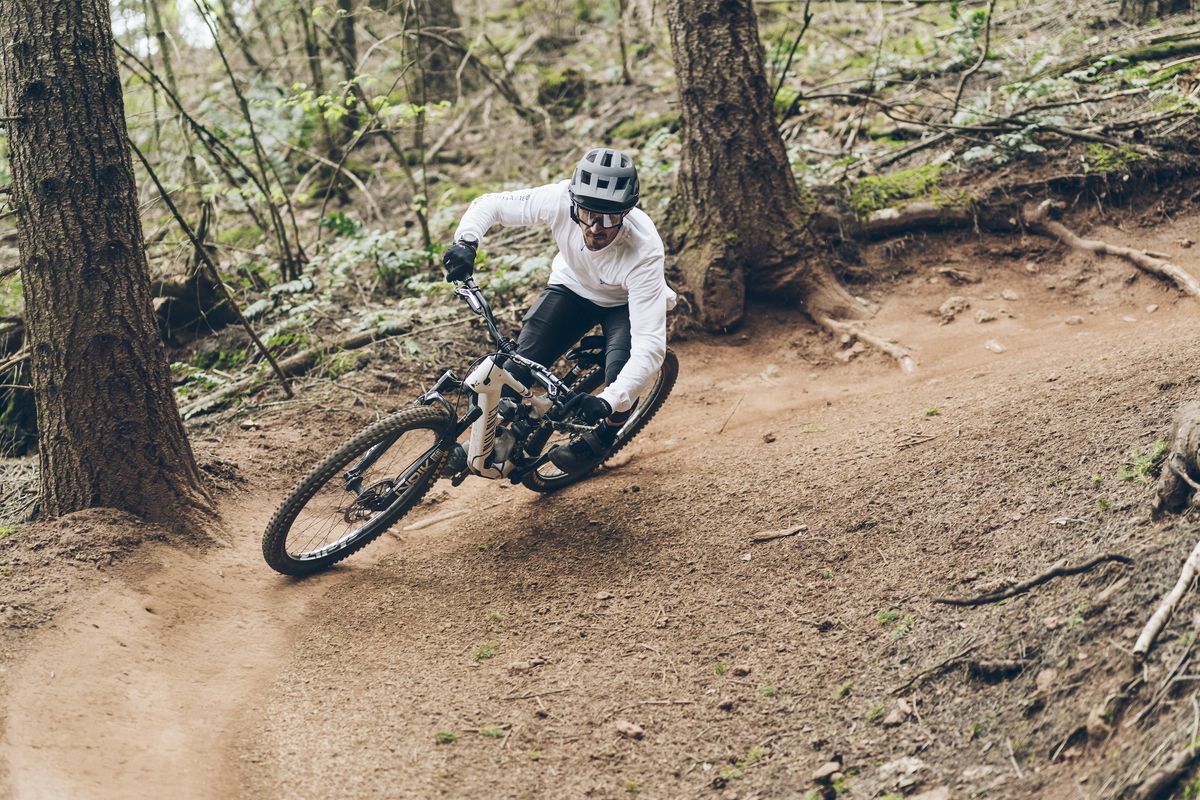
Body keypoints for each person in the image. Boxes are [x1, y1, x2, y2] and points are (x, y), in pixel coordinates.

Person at [442, 147, 676, 474]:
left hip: (623, 304)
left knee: (620, 378)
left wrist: (608, 402)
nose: (596, 227)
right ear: (573, 203)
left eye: (609, 217)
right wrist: (466, 243)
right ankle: (494, 440)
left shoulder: (644, 250)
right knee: (519, 365)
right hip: (572, 287)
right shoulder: (558, 199)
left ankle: (606, 435)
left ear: (626, 212)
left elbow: (651, 347)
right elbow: (490, 205)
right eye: (587, 213)